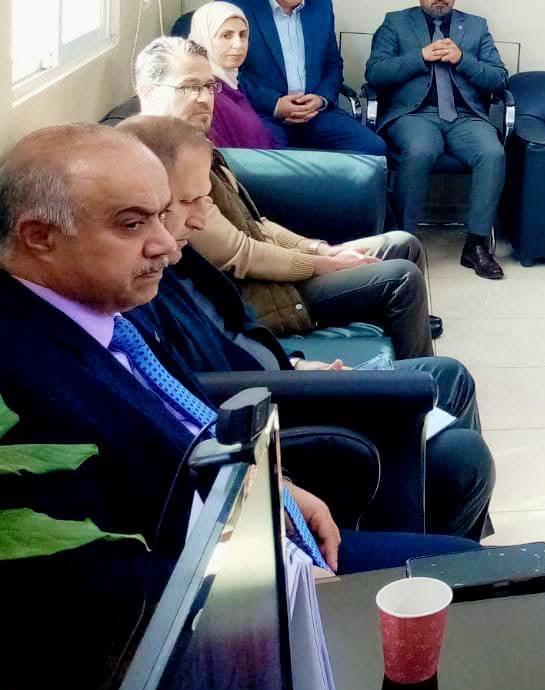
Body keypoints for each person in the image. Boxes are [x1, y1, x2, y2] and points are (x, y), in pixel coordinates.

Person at [0, 125, 473, 577]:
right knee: (470, 574)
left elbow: (189, 421)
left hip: (264, 525)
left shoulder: (104, 307)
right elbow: (91, 573)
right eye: (132, 224)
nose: (166, 244)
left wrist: (276, 486)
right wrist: (273, 588)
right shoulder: (21, 379)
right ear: (40, 236)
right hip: (223, 586)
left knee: (481, 571)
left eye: (163, 214)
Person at [117, 114, 495, 538]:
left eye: (204, 200)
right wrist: (297, 373)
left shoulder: (184, 258)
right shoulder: (146, 287)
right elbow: (200, 390)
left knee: (451, 375)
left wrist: (295, 363)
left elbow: (252, 265)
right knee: (463, 453)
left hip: (285, 376)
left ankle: (452, 541)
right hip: (276, 405)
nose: (202, 219)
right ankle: (434, 552)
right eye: (188, 202)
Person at [135, 37, 434, 359]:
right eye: (189, 87)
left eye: (209, 87)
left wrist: (321, 249)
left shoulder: (198, 148)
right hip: (260, 296)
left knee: (403, 244)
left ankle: (407, 340)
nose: (204, 98)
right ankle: (415, 383)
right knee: (401, 279)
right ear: (148, 91)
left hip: (275, 277)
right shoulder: (156, 165)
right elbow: (239, 253)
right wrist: (321, 264)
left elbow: (257, 225)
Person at [367, 0, 509, 280]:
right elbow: (375, 72)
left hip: (465, 116)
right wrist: (420, 57)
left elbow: (499, 78)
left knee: (492, 153)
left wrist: (462, 59)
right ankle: (403, 241)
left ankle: (476, 245)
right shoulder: (396, 23)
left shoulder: (476, 26)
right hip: (415, 114)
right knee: (420, 150)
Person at [217, 0, 387, 154]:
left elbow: (333, 64)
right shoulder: (235, 6)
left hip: (315, 113)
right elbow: (223, 70)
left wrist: (321, 99)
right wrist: (275, 104)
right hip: (262, 112)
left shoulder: (321, 5)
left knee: (373, 148)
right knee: (273, 158)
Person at [186, 0, 285, 150]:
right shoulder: (205, 94)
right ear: (203, 39)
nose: (238, 44)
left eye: (243, 35)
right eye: (227, 35)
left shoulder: (231, 83)